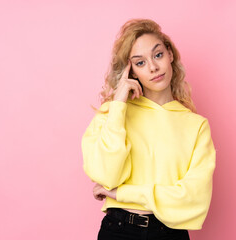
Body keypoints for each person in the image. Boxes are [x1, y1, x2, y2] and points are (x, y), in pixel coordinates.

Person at [81, 18, 216, 240]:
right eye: (140, 62)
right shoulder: (113, 113)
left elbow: (193, 199)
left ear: (170, 54)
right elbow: (106, 176)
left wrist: (121, 193)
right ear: (130, 70)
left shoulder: (196, 126)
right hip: (118, 230)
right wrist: (118, 106)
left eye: (158, 55)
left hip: (169, 233)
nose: (153, 67)